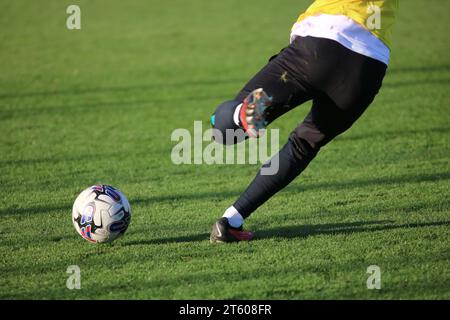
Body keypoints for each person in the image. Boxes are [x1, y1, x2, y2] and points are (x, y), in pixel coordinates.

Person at [209, 0, 399, 243]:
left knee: (224, 129)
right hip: (367, 66)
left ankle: (241, 115)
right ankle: (232, 221)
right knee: (304, 145)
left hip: (320, 41)